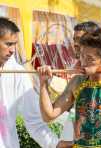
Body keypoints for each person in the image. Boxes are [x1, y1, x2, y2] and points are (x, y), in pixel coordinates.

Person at [0, 17, 59, 148]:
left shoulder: (17, 73)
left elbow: (35, 122)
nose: (12, 50)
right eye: (8, 44)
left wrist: (56, 145)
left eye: (14, 44)